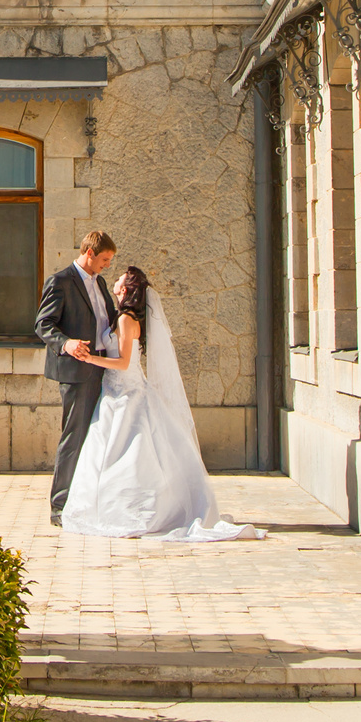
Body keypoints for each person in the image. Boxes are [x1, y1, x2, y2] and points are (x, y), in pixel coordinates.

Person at [58, 265, 265, 542]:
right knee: (107, 452)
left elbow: (122, 363)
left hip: (126, 393)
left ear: (125, 288)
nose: (115, 279)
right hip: (113, 393)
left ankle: (130, 510)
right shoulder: (120, 316)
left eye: (120, 278)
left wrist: (89, 359)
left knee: (127, 455)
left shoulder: (126, 321)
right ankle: (105, 507)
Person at [36, 229, 119, 527]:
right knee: (75, 435)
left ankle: (89, 500)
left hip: (103, 368)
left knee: (98, 436)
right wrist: (67, 343)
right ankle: (59, 506)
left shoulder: (101, 283)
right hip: (77, 371)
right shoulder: (61, 282)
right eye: (105, 259)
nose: (107, 265)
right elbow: (43, 324)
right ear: (89, 253)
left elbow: (107, 320)